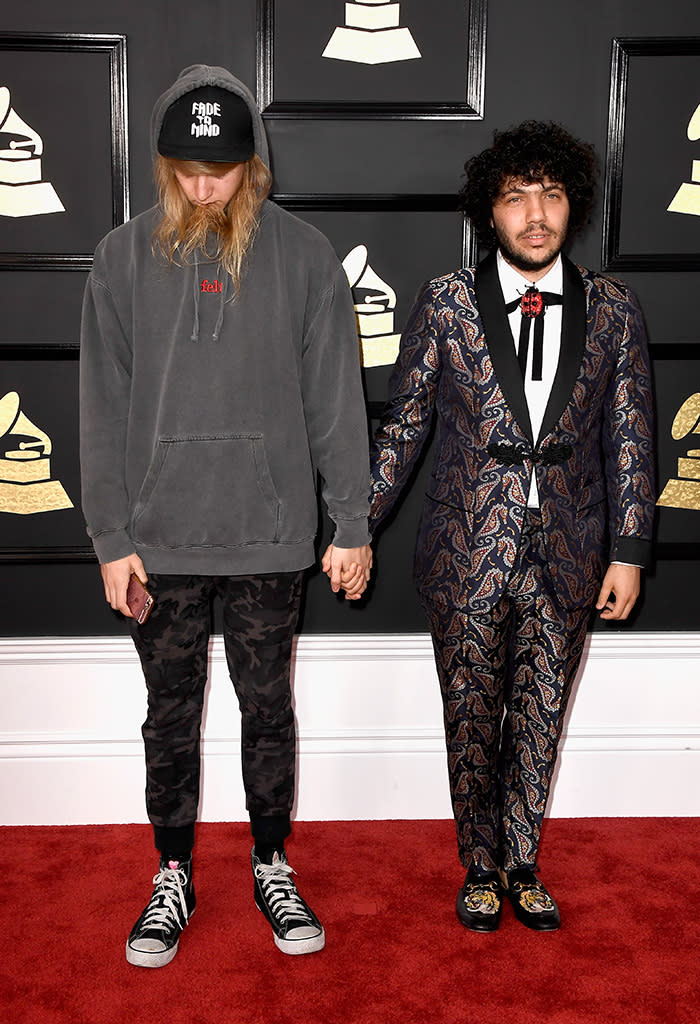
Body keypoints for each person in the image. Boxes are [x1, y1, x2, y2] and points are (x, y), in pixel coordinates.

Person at [79, 64, 372, 968]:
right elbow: (99, 404)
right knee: (169, 714)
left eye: (224, 169)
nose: (206, 188)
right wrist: (110, 539)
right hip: (158, 541)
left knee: (267, 708)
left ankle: (272, 859)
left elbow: (335, 402)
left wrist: (350, 522)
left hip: (270, 535)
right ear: (163, 165)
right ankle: (172, 870)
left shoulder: (306, 257)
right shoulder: (121, 259)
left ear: (255, 163)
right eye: (187, 170)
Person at [354, 121, 654, 932]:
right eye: (516, 195)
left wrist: (627, 553)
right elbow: (406, 425)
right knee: (472, 710)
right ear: (490, 210)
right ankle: (478, 863)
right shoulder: (446, 302)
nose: (534, 213)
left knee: (543, 709)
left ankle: (523, 861)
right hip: (466, 549)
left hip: (571, 548)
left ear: (572, 207)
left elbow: (630, 435)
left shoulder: (615, 311)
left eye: (550, 194)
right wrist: (357, 524)